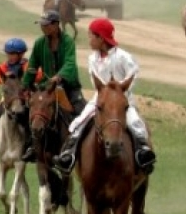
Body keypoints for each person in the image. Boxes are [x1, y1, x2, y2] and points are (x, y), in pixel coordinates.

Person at [52, 18, 156, 174]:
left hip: (122, 99)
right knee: (78, 123)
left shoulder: (123, 57)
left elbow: (133, 74)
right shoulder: (92, 58)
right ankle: (69, 156)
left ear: (101, 38)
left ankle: (143, 153)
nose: (89, 40)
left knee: (135, 123)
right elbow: (95, 81)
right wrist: (104, 94)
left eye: (91, 36)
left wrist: (120, 91)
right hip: (100, 99)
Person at [20, 10, 85, 162]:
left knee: (82, 112)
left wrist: (59, 76)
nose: (43, 28)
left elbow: (70, 63)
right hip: (46, 87)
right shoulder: (39, 43)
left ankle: (80, 146)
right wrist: (25, 85)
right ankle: (31, 145)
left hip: (69, 86)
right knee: (27, 111)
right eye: (41, 25)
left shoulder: (68, 42)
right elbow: (32, 66)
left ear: (56, 25)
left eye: (46, 25)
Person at [0, 38, 43, 155]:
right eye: (8, 54)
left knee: (28, 120)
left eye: (13, 54)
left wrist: (26, 76)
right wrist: (3, 76)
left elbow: (38, 74)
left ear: (21, 54)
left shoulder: (27, 65)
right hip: (9, 101)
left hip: (25, 99)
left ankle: (32, 145)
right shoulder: (4, 67)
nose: (10, 57)